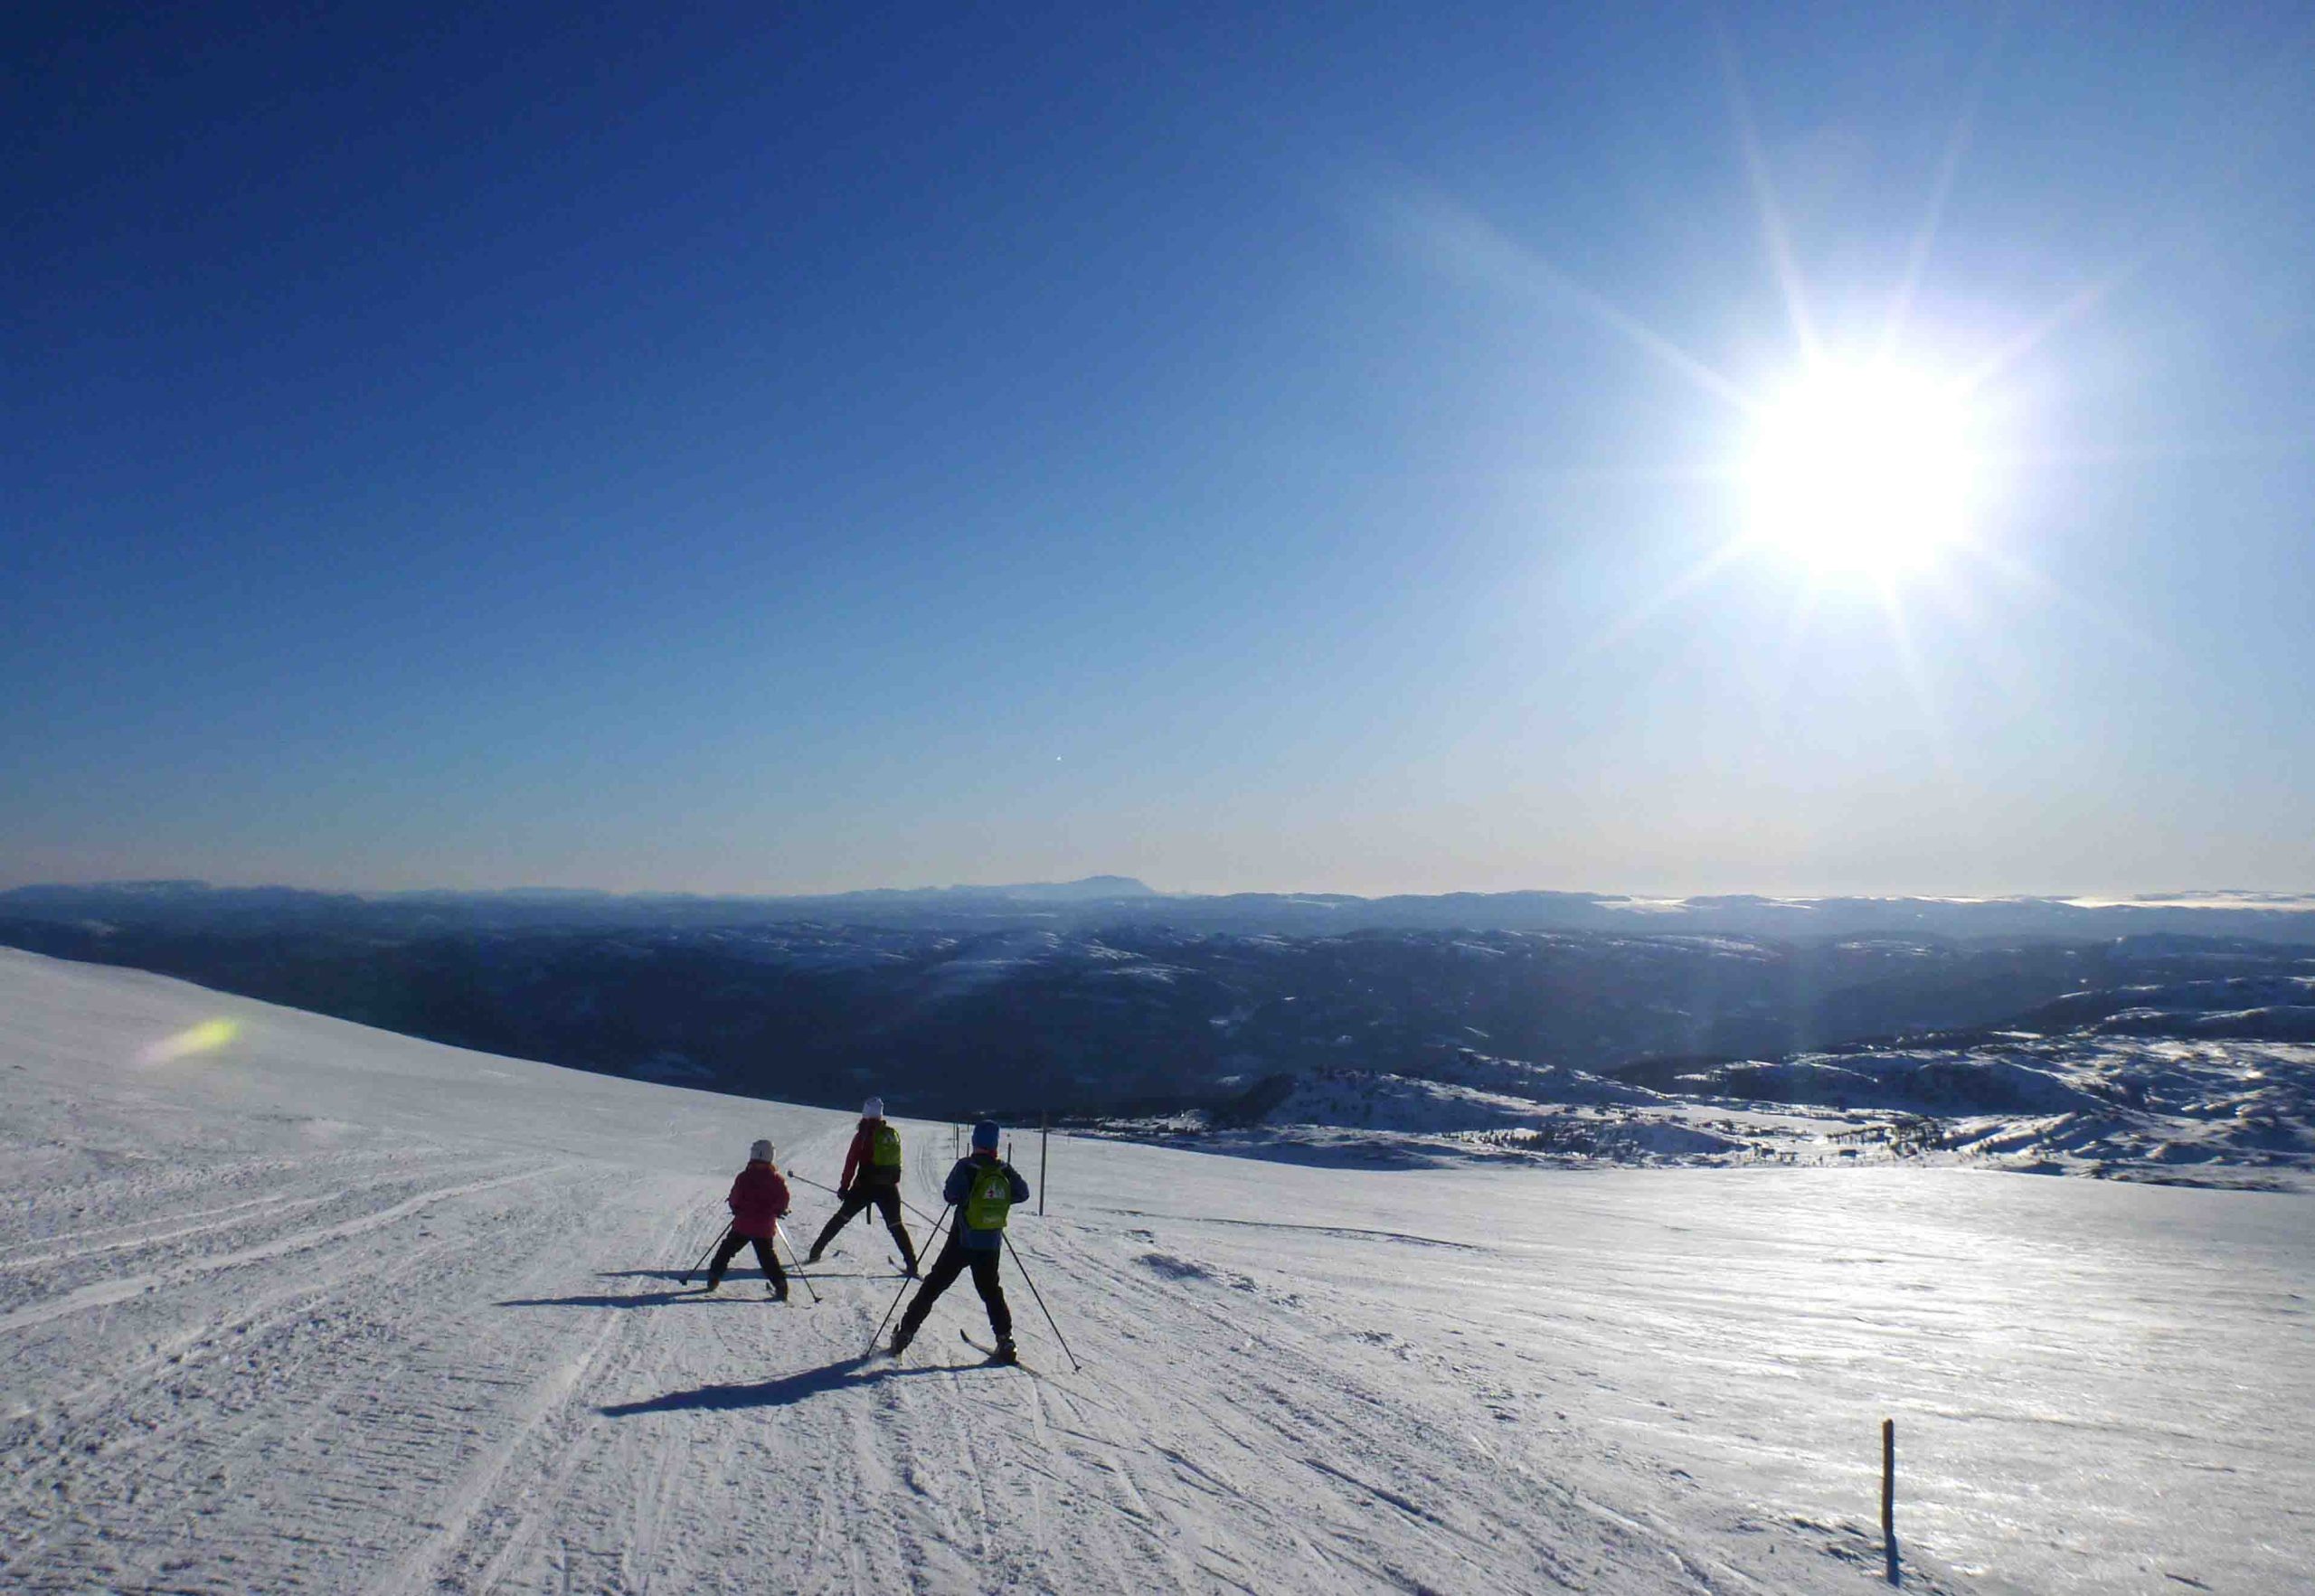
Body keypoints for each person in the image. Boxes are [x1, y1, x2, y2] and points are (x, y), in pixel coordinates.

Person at [889, 1119, 1031, 1362]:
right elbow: (1022, 1193)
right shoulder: (1004, 1169)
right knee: (991, 1290)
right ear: (995, 1143)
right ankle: (1005, 1340)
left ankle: (906, 1333)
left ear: (975, 1141)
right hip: (990, 1242)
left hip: (962, 1239)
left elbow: (950, 1194)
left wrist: (966, 1199)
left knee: (934, 1285)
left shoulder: (967, 1166)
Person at [805, 1097, 920, 1274]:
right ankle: (912, 1264)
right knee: (896, 1225)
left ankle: (815, 1252)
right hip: (888, 1188)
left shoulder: (863, 1135)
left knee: (840, 1219)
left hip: (864, 1187)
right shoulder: (889, 1135)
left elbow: (851, 1162)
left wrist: (844, 1187)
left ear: (864, 1113)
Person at [704, 1138, 790, 1299]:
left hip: (742, 1224)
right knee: (767, 1258)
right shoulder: (777, 1180)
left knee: (726, 1251)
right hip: (764, 1228)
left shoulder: (744, 1177)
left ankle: (714, 1276)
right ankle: (780, 1284)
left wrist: (735, 1207)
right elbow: (783, 1199)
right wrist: (779, 1210)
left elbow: (735, 1196)